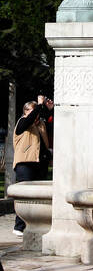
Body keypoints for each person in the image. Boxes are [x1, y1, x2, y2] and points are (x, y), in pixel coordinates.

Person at [11, 94, 53, 237]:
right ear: (25, 111)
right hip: (25, 164)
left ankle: (36, 225)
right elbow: (29, 119)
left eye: (36, 112)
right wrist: (39, 105)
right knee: (24, 196)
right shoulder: (22, 123)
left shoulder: (40, 124)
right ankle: (19, 226)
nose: (35, 114)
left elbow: (52, 131)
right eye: (32, 111)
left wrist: (49, 110)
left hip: (39, 164)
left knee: (39, 197)